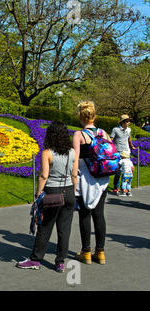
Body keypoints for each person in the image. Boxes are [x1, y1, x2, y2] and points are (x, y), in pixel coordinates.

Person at [16, 121, 78, 273]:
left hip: (52, 192)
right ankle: (60, 261)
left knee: (45, 227)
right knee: (64, 229)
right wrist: (73, 191)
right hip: (69, 191)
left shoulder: (47, 152)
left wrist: (38, 193)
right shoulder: (72, 152)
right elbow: (74, 174)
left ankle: (35, 259)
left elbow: (44, 175)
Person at [72, 101, 111, 265]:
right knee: (99, 214)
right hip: (102, 178)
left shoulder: (78, 135)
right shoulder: (104, 133)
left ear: (81, 117)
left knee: (85, 214)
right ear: (94, 116)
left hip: (86, 179)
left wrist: (73, 179)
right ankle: (100, 252)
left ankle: (86, 252)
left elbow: (75, 159)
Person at [110, 114, 136, 194]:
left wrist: (132, 146)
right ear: (123, 122)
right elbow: (111, 139)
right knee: (118, 170)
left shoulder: (129, 129)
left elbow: (129, 138)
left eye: (129, 121)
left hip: (126, 152)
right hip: (117, 152)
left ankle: (124, 187)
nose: (129, 123)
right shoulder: (115, 129)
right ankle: (116, 187)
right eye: (127, 121)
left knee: (127, 170)